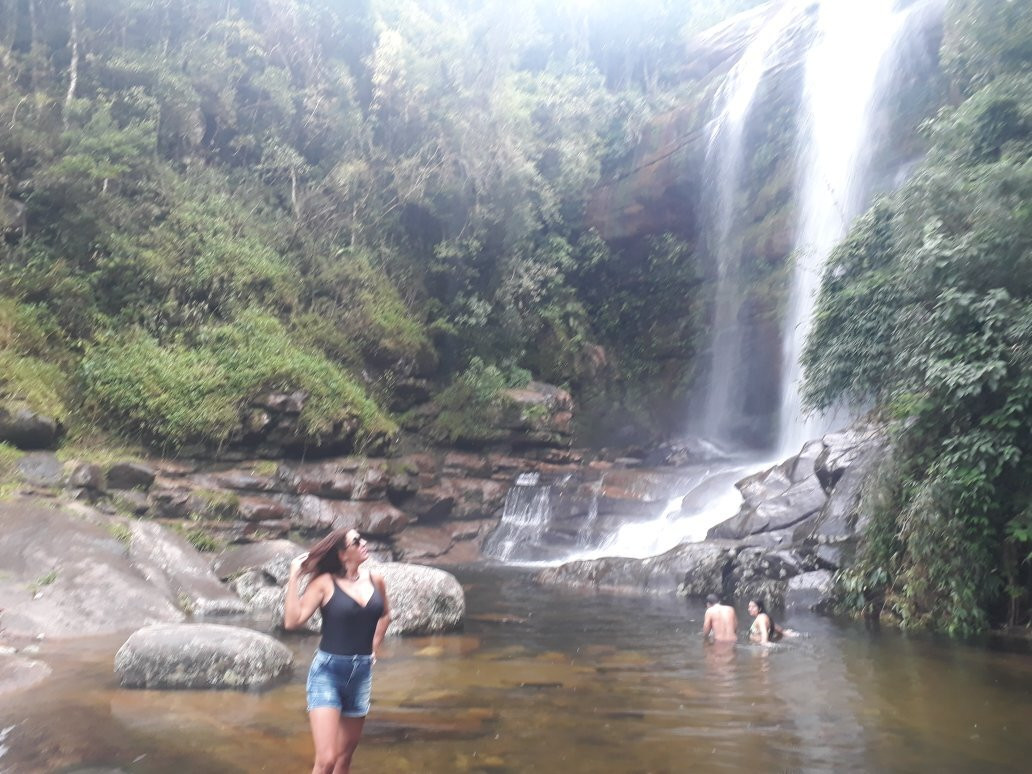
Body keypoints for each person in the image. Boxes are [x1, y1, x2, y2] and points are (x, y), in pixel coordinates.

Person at [285, 527, 391, 774]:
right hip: (328, 673)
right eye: (356, 541)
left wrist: (374, 648)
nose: (364, 543)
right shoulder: (324, 583)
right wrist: (294, 578)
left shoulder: (376, 580)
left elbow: (385, 615)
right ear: (343, 554)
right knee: (327, 760)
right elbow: (292, 621)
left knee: (344, 759)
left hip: (361, 674)